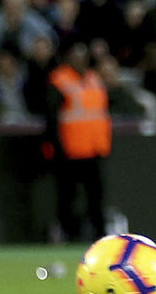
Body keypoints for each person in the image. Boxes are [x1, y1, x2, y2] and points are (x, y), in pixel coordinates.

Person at [46, 37, 112, 242]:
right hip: (70, 149)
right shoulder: (60, 80)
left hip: (95, 147)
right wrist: (55, 146)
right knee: (68, 196)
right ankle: (69, 234)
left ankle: (100, 234)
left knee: (96, 196)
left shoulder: (94, 78)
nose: (80, 59)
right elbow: (52, 117)